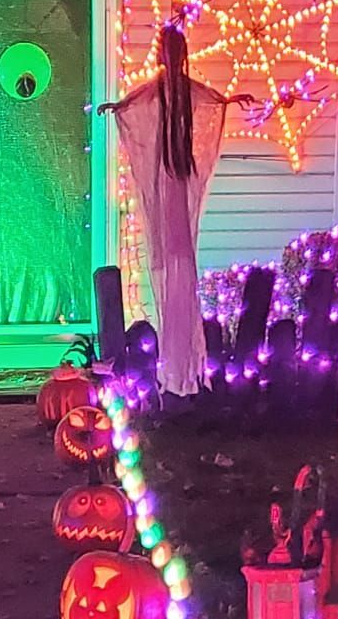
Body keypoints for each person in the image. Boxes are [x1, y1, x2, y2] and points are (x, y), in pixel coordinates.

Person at [100, 28, 249, 401]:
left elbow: (209, 99)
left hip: (179, 182)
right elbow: (137, 103)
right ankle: (175, 366)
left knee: (180, 262)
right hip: (166, 182)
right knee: (169, 263)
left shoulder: (183, 89)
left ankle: (186, 366)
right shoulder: (161, 88)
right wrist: (116, 108)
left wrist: (229, 99)